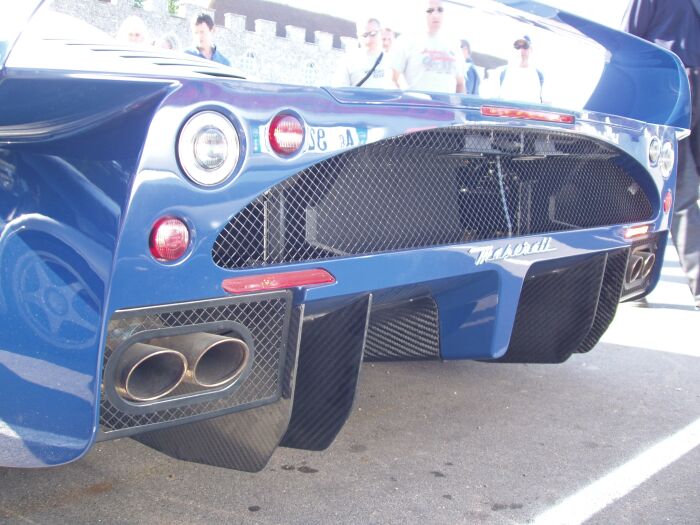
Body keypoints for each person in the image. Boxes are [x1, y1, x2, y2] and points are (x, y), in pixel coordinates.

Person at [624, 0, 700, 309]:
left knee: (684, 196)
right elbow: (628, 40)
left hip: (694, 92)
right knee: (654, 192)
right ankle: (635, 285)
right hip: (669, 88)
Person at [391, 0, 466, 94]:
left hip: (446, 107)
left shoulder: (454, 44)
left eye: (440, 10)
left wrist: (458, 107)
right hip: (417, 106)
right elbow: (392, 79)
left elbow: (460, 84)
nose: (435, 14)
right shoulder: (406, 40)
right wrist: (406, 102)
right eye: (430, 10)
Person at [333, 18, 393, 89]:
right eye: (364, 35)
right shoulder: (347, 61)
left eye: (373, 34)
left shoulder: (392, 61)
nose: (368, 40)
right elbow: (339, 92)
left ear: (380, 33)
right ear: (358, 36)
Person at [498, 35, 544, 104]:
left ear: (531, 49)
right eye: (518, 47)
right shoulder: (503, 72)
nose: (521, 50)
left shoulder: (539, 75)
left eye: (525, 47)